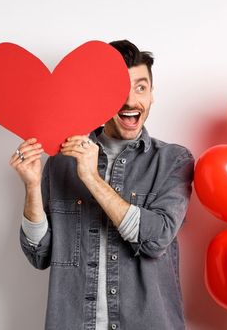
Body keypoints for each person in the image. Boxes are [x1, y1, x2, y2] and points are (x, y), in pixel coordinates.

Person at [11, 39, 194, 330]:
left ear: (152, 94)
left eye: (141, 87)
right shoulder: (60, 161)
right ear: (97, 97)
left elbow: (155, 239)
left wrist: (93, 179)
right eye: (119, 90)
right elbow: (40, 254)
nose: (132, 101)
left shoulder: (173, 161)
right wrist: (32, 187)